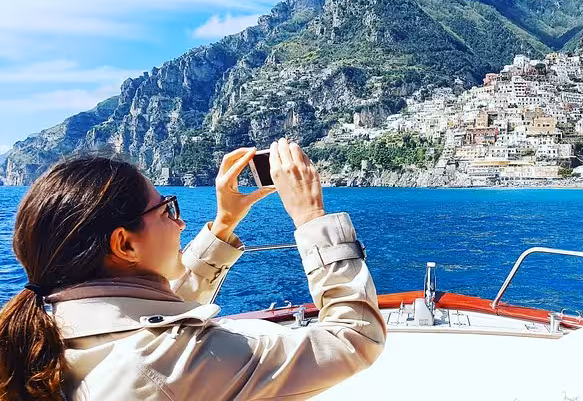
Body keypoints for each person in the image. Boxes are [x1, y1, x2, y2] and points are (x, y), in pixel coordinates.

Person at [0, 138, 386, 401]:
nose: (181, 224)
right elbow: (354, 339)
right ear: (124, 244)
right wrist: (310, 216)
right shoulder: (175, 361)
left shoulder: (45, 336)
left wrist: (223, 223)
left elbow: (142, 319)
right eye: (167, 210)